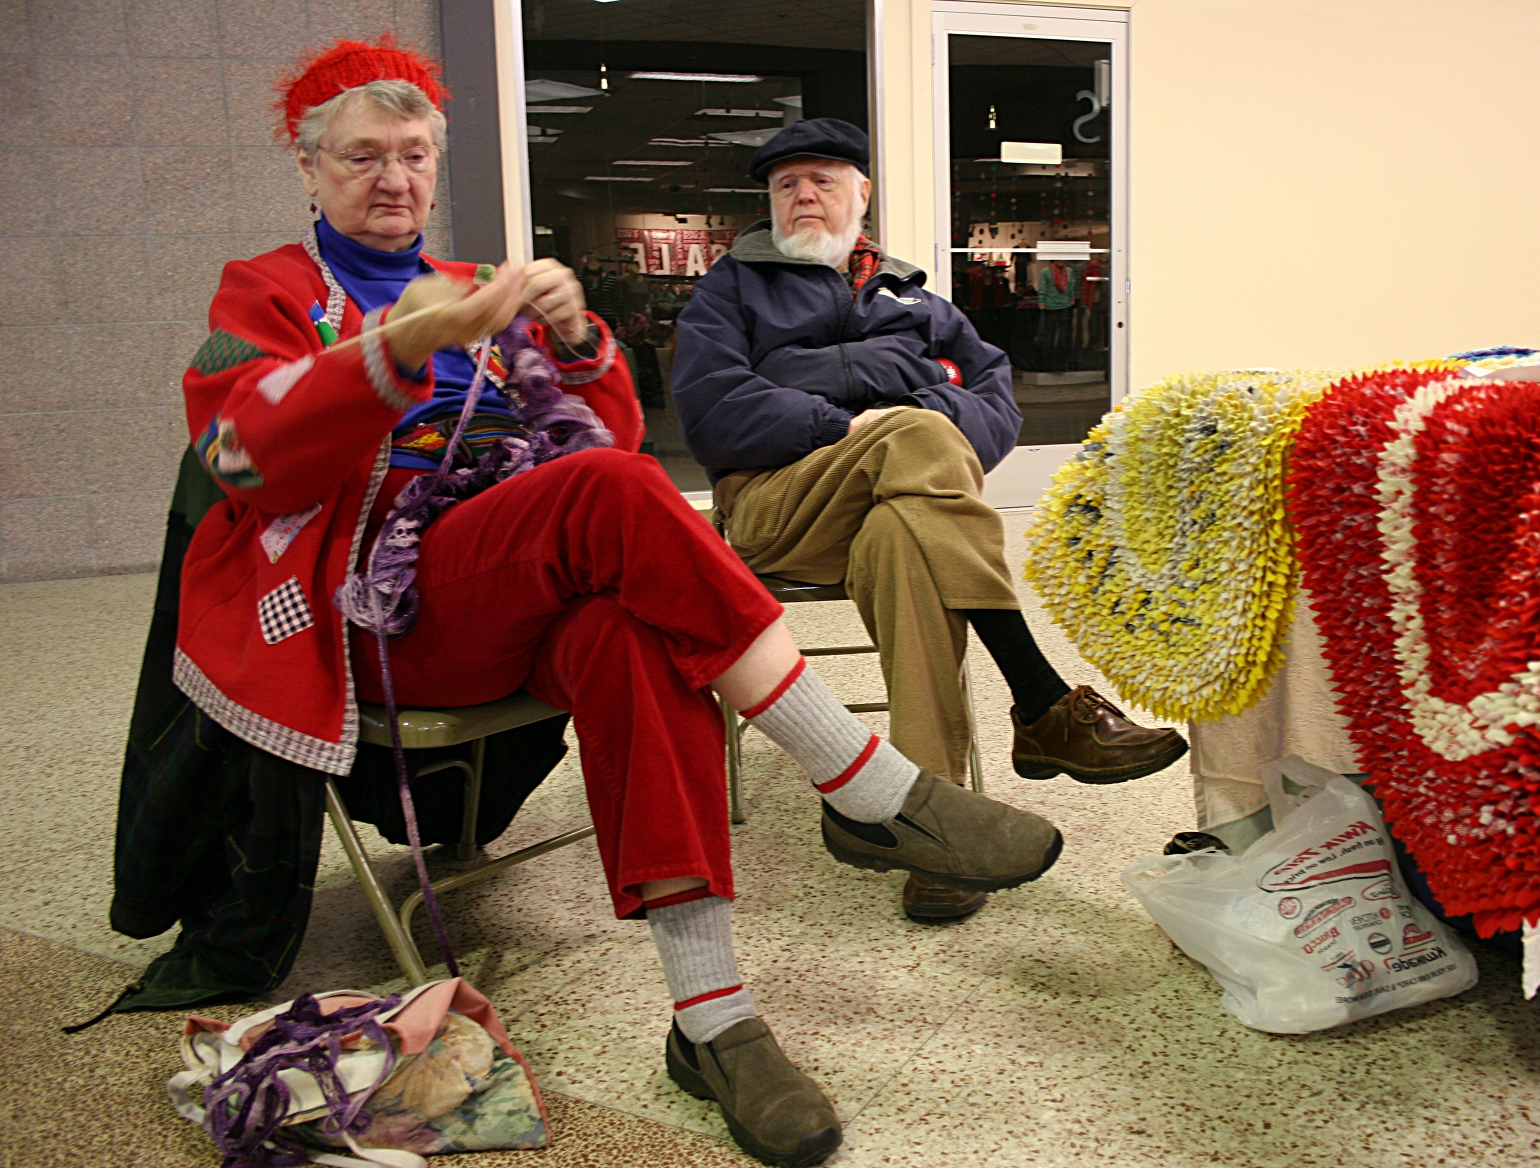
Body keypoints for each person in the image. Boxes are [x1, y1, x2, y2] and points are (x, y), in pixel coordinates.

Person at [175, 39, 1062, 1167]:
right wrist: (408, 346)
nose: (391, 178)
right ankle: (865, 781)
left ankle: (714, 1022)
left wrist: (584, 341)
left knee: (634, 635)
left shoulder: (470, 287)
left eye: (411, 155)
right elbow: (238, 454)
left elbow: (617, 445)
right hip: (385, 610)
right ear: (308, 169)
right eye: (360, 158)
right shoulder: (269, 290)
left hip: (525, 585)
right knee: (609, 498)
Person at [672, 119, 1187, 923]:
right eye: (786, 185)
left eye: (824, 180)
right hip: (776, 505)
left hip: (892, 502)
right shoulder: (728, 290)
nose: (805, 195)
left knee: (908, 536)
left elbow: (994, 401)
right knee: (916, 434)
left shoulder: (914, 294)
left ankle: (935, 829)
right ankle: (1039, 695)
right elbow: (715, 412)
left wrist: (882, 409)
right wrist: (850, 421)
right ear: (768, 201)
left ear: (861, 194)